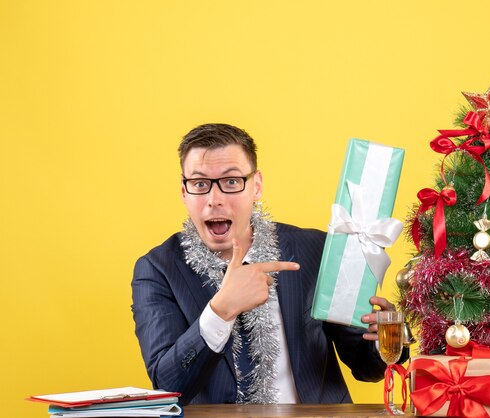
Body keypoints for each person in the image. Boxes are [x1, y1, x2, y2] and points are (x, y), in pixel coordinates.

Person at [131, 123, 404, 405]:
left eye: (232, 181)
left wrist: (384, 340)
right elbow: (168, 386)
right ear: (184, 191)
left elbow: (367, 368)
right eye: (200, 184)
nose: (214, 200)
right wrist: (221, 310)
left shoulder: (314, 249)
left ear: (256, 186)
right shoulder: (157, 270)